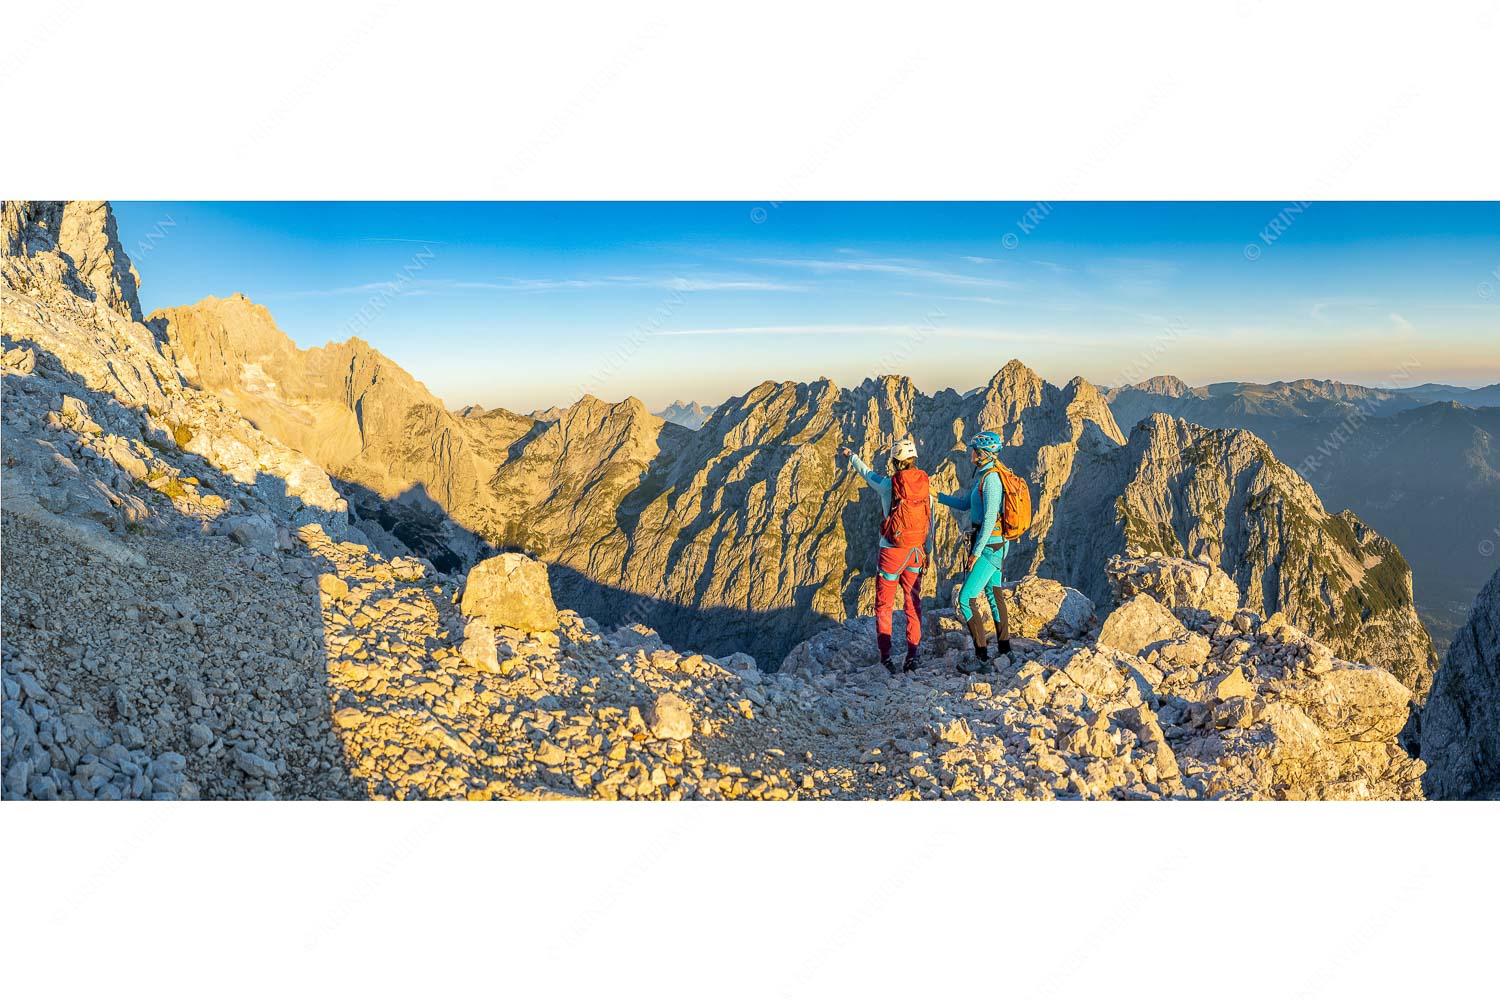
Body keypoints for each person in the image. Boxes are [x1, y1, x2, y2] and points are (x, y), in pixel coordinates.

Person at [841, 437, 931, 674]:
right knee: (913, 605)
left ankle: (886, 658)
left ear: (895, 461)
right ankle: (913, 656)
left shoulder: (888, 484)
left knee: (884, 605)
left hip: (892, 551)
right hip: (916, 551)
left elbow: (866, 473)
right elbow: (928, 520)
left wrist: (851, 456)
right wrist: (928, 551)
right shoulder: (924, 484)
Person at [936, 430, 1012, 669]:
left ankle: (981, 657)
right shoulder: (983, 477)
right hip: (993, 544)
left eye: (973, 451)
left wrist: (976, 553)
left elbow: (989, 518)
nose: (970, 454)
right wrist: (935, 495)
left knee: (966, 598)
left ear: (982, 454)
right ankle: (1005, 650)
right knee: (993, 594)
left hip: (990, 545)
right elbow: (964, 503)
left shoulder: (991, 480)